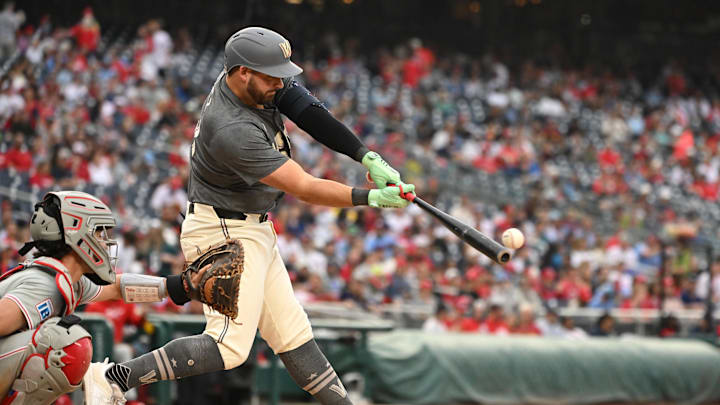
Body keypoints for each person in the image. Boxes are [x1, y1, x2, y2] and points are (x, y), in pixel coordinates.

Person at [92, 26, 415, 405]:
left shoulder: (249, 80)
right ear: (243, 72)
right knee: (229, 346)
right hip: (224, 230)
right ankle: (113, 377)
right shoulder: (231, 128)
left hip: (253, 225)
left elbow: (307, 110)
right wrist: (371, 197)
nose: (281, 83)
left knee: (294, 336)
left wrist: (365, 155)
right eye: (271, 75)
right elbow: (305, 187)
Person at [0, 191, 193, 405]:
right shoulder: (44, 284)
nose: (105, 241)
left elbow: (118, 287)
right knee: (65, 343)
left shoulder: (68, 279)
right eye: (99, 233)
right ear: (77, 233)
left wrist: (179, 286)